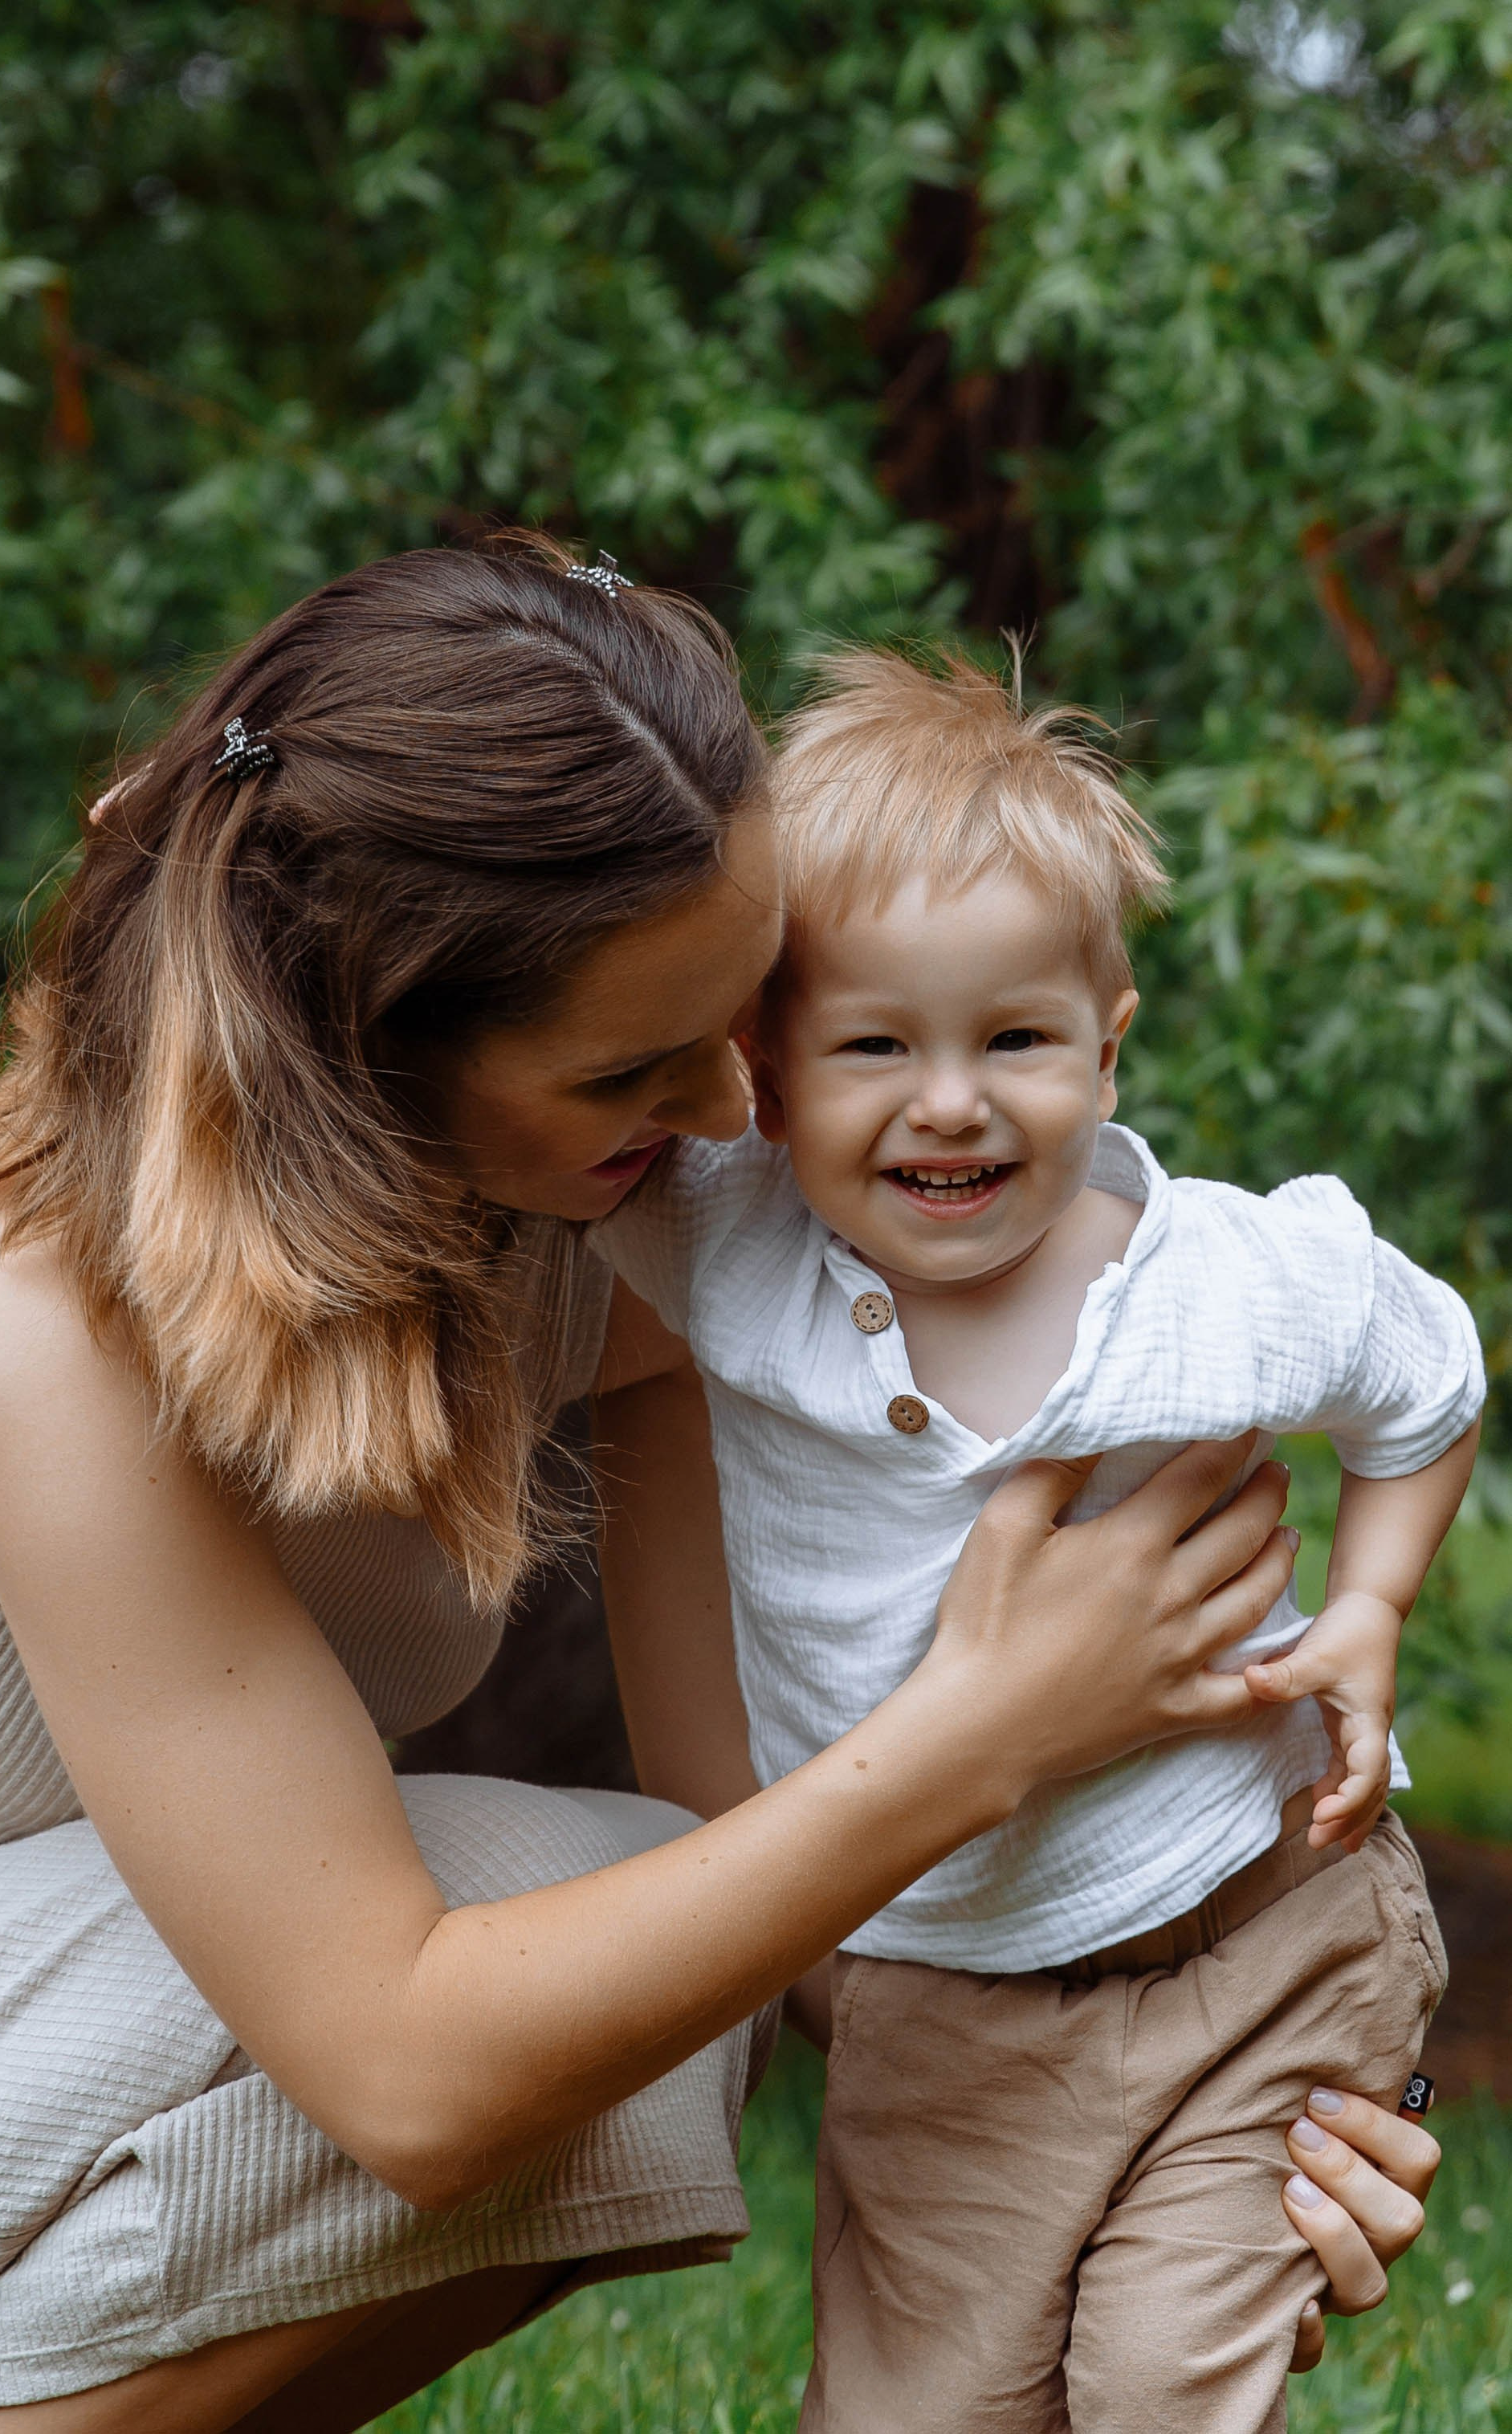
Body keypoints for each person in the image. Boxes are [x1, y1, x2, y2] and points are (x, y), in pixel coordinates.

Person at [0, 547, 1438, 2434]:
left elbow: (696, 1477)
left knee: (660, 1965)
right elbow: (408, 2068)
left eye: (748, 1014)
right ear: (370, 1040)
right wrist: (983, 1734)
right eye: (637, 1062)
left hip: (61, 2015)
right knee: (567, 1957)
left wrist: (1202, 2094)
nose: (730, 1113)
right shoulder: (22, 1306)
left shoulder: (563, 1207)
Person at [594, 647, 1480, 2434]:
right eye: (874, 1044)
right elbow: (484, 1158)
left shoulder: (1219, 1286)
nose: (950, 1101)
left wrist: (1375, 1603)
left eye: (1013, 1038)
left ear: (1107, 1037)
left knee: (1160, 2384)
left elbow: (1428, 1373)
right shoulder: (727, 1249)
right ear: (759, 1075)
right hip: (946, 1991)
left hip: (1264, 1918)